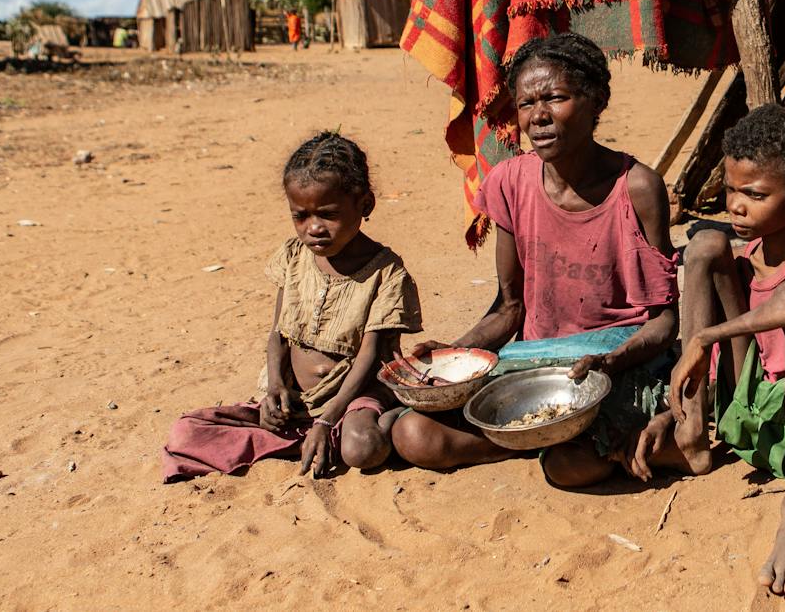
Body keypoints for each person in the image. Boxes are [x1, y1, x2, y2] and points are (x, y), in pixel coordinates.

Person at [389, 32, 680, 487]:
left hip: (617, 363)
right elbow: (510, 308)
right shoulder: (511, 182)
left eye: (556, 98)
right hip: (536, 365)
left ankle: (555, 441)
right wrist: (453, 356)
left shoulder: (637, 188)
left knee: (567, 468)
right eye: (526, 104)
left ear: (596, 100)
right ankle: (536, 438)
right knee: (413, 435)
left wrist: (612, 362)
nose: (538, 117)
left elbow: (664, 321)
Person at [637, 103, 785, 598]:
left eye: (754, 194)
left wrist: (703, 337)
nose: (735, 207)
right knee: (703, 247)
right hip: (751, 409)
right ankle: (692, 427)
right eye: (730, 190)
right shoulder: (745, 259)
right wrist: (669, 405)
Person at [160, 132, 420, 481]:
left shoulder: (386, 272)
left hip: (354, 394)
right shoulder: (294, 258)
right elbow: (278, 334)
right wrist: (275, 390)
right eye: (301, 216)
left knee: (362, 448)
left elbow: (370, 356)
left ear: (365, 205)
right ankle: (312, 436)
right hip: (297, 399)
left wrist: (328, 417)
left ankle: (392, 415)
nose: (314, 228)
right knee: (186, 432)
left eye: (328, 214)